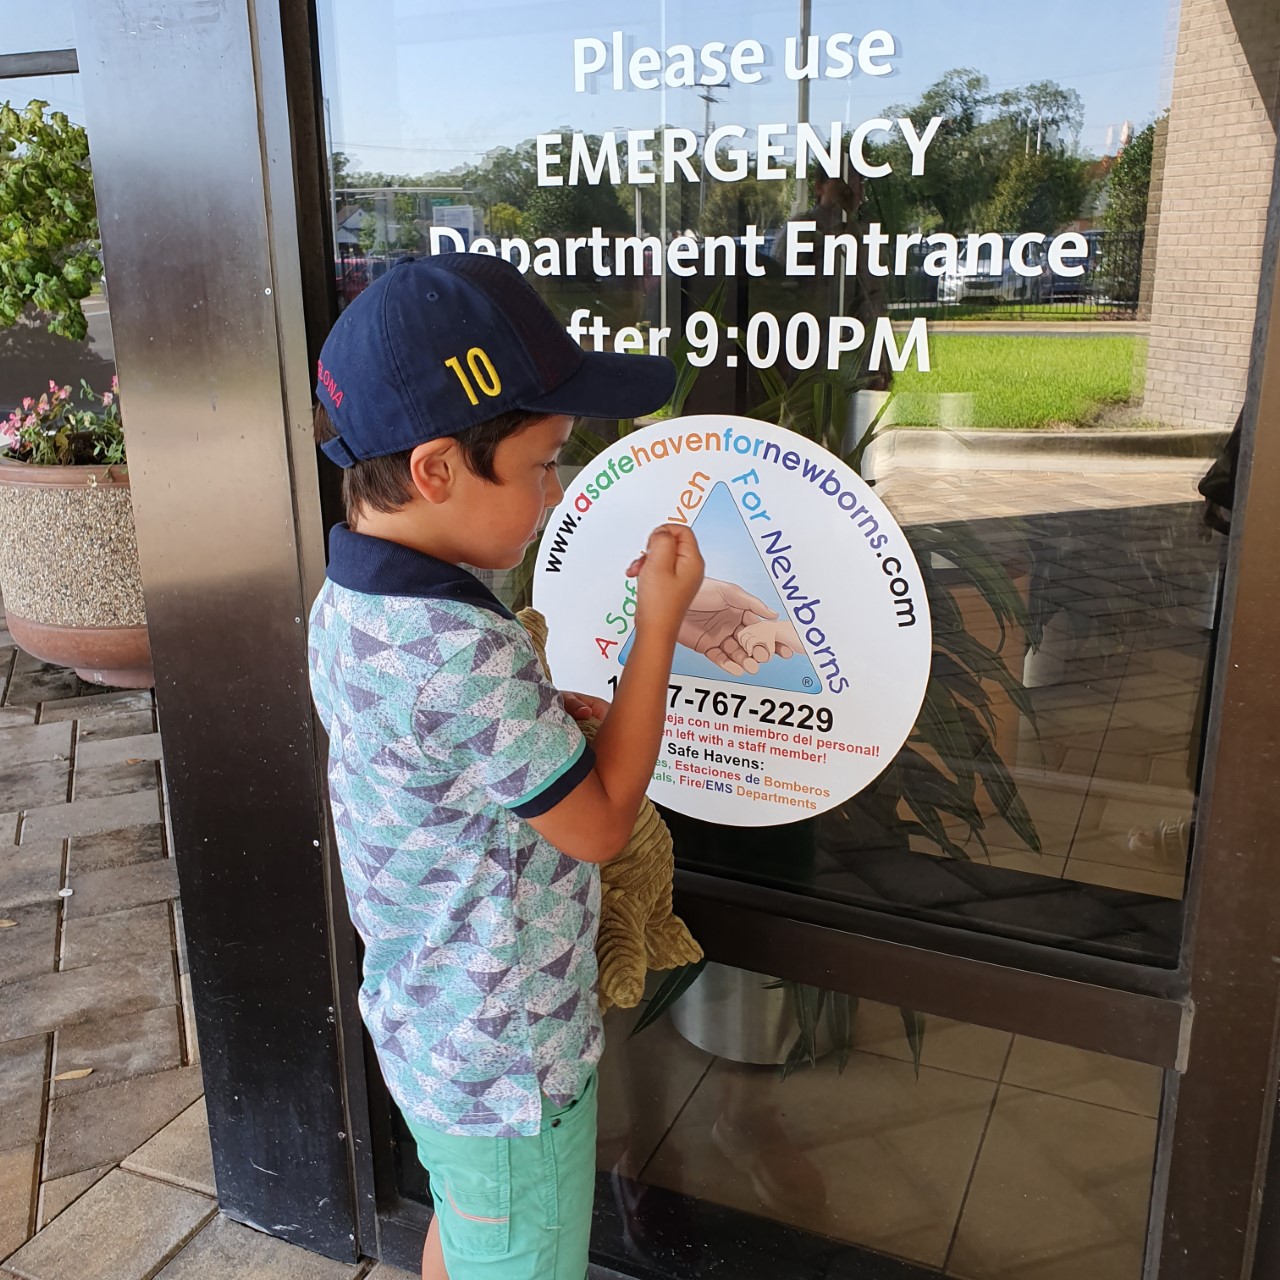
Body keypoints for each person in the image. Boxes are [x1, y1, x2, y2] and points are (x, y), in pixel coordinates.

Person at [306, 253, 704, 1280]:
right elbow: (601, 820)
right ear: (436, 468)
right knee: (514, 1245)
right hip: (507, 1063)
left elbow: (436, 749)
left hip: (425, 1020)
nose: (555, 488)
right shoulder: (464, 648)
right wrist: (656, 626)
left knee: (468, 1225)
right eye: (540, 463)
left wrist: (533, 721)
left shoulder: (351, 597)